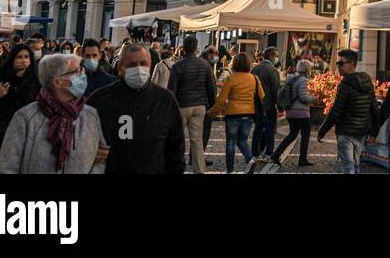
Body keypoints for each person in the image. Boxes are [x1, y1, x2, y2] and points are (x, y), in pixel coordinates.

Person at [0, 52, 107, 174]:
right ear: (57, 82)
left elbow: (99, 161)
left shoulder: (90, 115)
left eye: (81, 69)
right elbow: (7, 166)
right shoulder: (26, 118)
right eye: (76, 71)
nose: (82, 74)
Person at [88, 42, 185, 174]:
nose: (139, 69)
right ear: (121, 68)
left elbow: (176, 148)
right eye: (132, 65)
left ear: (150, 64)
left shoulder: (165, 100)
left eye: (143, 63)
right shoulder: (100, 100)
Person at [0, 42, 41, 171]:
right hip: (1, 132)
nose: (23, 60)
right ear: (12, 59)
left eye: (26, 57)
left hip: (26, 133)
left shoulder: (36, 82)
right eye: (19, 57)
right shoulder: (1, 78)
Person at [317, 50, 378, 174]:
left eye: (341, 63)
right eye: (337, 63)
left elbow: (335, 111)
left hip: (346, 131)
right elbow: (374, 109)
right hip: (361, 131)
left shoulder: (345, 84)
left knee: (349, 168)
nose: (338, 66)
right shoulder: (367, 82)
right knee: (355, 166)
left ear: (351, 64)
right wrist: (374, 132)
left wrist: (322, 131)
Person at [209, 51, 264, 173]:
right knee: (242, 140)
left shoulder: (231, 78)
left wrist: (212, 113)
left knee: (231, 142)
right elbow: (262, 95)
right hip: (249, 114)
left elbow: (221, 99)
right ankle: (250, 160)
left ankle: (230, 170)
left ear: (235, 64)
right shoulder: (254, 78)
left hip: (233, 114)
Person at [169, 36, 216, 173]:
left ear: (183, 48)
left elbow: (171, 90)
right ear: (196, 48)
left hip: (182, 106)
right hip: (200, 106)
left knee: (177, 139)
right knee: (197, 141)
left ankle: (176, 166)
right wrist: (211, 106)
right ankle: (199, 170)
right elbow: (211, 88)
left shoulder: (178, 66)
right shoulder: (205, 65)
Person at [271, 59, 317, 167]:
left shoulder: (290, 78)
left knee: (292, 134)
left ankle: (275, 155)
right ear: (307, 69)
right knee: (305, 135)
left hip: (290, 111)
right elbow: (303, 97)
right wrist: (313, 99)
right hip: (301, 112)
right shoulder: (302, 80)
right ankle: (302, 159)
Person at [250, 47, 282, 157]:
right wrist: (280, 106)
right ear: (271, 56)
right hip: (268, 105)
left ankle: (255, 151)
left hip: (256, 104)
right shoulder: (272, 70)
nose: (277, 58)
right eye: (276, 56)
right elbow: (276, 90)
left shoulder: (255, 69)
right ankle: (269, 153)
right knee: (270, 130)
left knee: (258, 129)